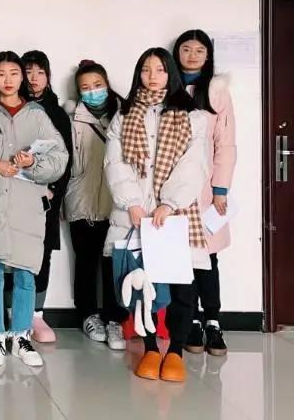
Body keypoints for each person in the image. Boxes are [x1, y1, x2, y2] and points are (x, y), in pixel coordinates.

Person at [0, 51, 69, 368]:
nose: (8, 80)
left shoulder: (37, 116)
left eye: (14, 73)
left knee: (25, 272)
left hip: (26, 205)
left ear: (22, 77)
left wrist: (32, 162)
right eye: (1, 74)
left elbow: (59, 158)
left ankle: (21, 336)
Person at [105, 48, 209, 383]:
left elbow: (194, 164)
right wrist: (132, 202)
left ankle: (175, 351)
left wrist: (170, 203)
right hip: (136, 213)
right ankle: (150, 348)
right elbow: (115, 162)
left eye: (160, 70)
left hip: (175, 214)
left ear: (171, 75)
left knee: (181, 286)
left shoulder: (193, 116)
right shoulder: (123, 116)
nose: (152, 76)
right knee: (142, 284)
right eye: (146, 70)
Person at [174, 29, 237, 357]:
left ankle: (213, 320)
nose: (192, 55)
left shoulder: (217, 91)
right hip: (173, 189)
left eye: (199, 50)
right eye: (186, 49)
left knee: (207, 257)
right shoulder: (168, 88)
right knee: (180, 257)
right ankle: (191, 322)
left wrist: (220, 189)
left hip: (205, 189)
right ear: (177, 52)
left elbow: (225, 144)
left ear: (208, 55)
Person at [63, 60, 129, 351]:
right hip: (82, 199)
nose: (92, 92)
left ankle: (115, 319)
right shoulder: (71, 118)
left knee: (115, 262)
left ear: (107, 84)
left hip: (117, 202)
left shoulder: (126, 114)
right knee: (86, 261)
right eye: (85, 88)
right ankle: (88, 315)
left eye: (97, 85)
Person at [21, 50, 73, 343]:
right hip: (15, 193)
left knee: (42, 254)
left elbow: (66, 159)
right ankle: (14, 311)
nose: (33, 78)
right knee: (12, 253)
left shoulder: (57, 113)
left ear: (48, 76)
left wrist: (55, 192)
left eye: (40, 72)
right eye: (28, 71)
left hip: (47, 197)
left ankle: (37, 314)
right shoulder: (12, 108)